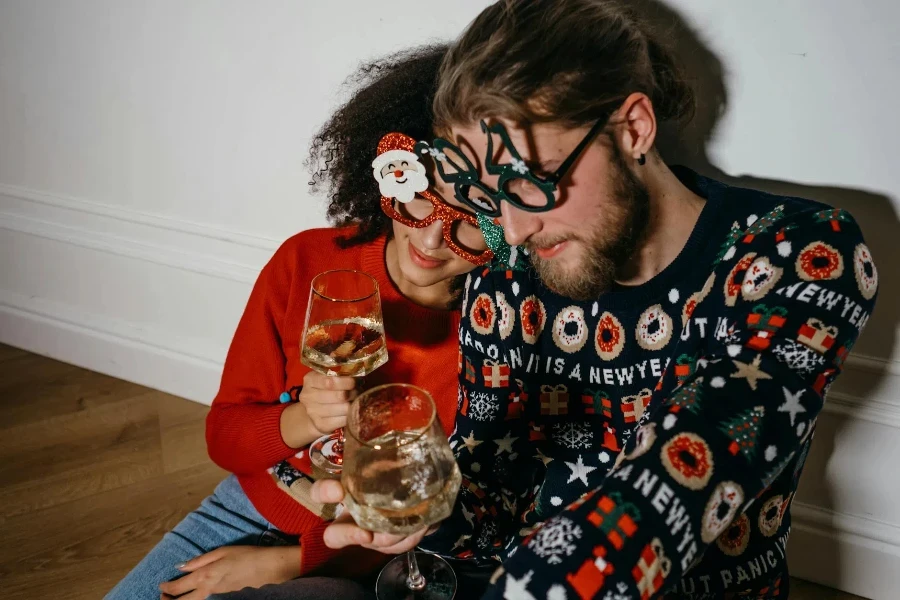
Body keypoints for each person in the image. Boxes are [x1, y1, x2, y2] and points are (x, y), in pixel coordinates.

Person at [313, 1, 879, 598]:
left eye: (532, 181)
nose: (514, 228)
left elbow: (693, 463)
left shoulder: (799, 253)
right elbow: (487, 477)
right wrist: (429, 512)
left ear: (633, 127)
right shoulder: (510, 273)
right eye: (488, 194)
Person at [105, 43, 493, 600]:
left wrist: (288, 565)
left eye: (472, 222)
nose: (432, 239)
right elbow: (226, 438)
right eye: (421, 197)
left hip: (367, 560)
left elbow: (427, 507)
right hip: (242, 510)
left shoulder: (497, 329)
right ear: (392, 172)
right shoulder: (306, 263)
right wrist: (306, 420)